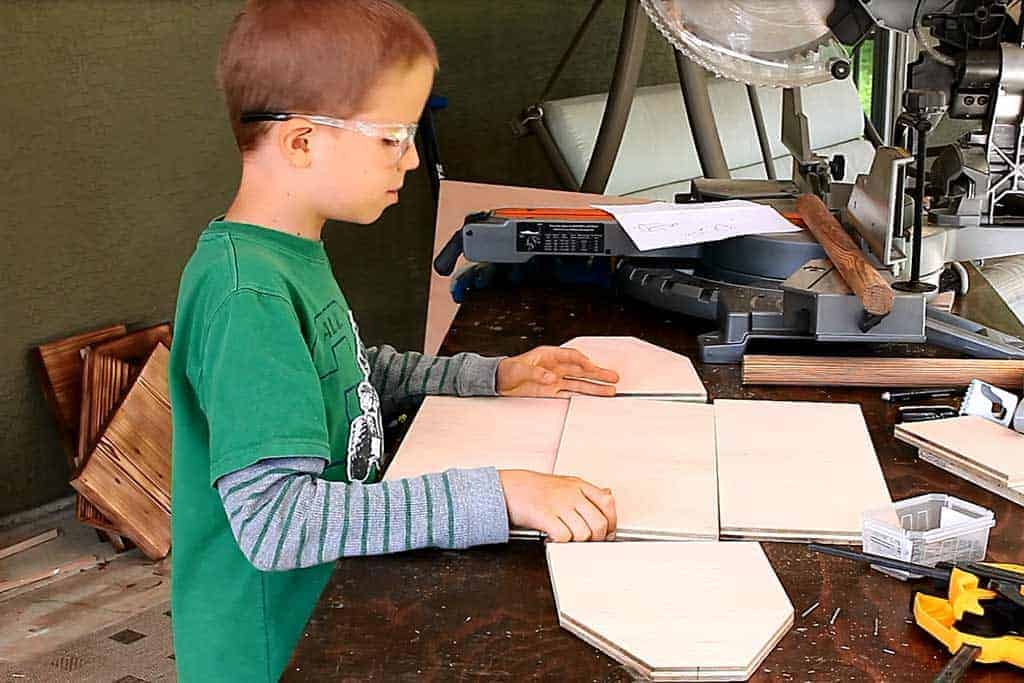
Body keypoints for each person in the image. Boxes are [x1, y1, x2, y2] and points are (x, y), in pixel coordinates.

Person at [168, 1, 620, 680]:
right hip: (275, 650)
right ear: (301, 142)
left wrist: (492, 376)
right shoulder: (247, 296)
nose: (410, 160)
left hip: (331, 608)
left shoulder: (286, 250)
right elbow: (277, 521)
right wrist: (496, 495)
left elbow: (345, 372)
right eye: (391, 137)